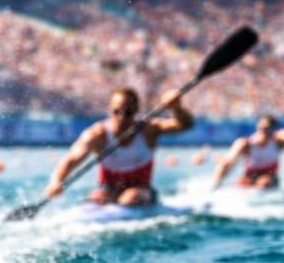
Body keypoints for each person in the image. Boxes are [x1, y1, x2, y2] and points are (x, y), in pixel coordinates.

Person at [44, 86, 193, 206]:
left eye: (127, 113)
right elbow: (72, 159)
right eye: (117, 112)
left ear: (136, 111)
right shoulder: (97, 135)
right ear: (109, 111)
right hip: (108, 190)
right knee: (96, 198)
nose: (122, 118)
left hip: (141, 191)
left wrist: (177, 108)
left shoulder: (148, 130)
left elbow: (185, 125)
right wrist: (56, 182)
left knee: (130, 197)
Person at [212, 114, 282, 189]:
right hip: (250, 175)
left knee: (264, 183)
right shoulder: (246, 144)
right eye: (260, 129)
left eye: (266, 129)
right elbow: (228, 162)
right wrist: (217, 182)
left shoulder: (278, 141)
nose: (263, 132)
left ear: (273, 130)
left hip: (269, 176)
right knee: (239, 184)